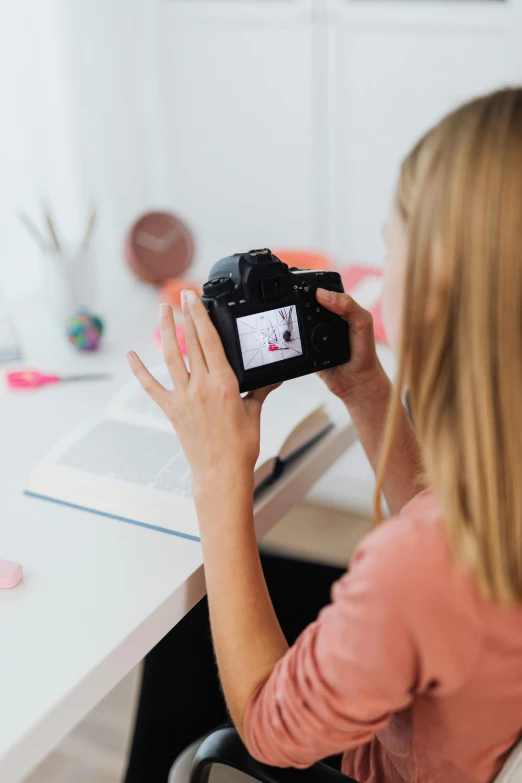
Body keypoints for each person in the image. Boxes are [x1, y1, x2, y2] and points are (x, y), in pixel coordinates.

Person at [125, 87, 522, 783]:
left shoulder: (416, 568)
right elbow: (451, 531)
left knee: (186, 626)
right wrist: (368, 392)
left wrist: (219, 475)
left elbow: (271, 730)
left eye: (390, 252)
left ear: (437, 285)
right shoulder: (483, 517)